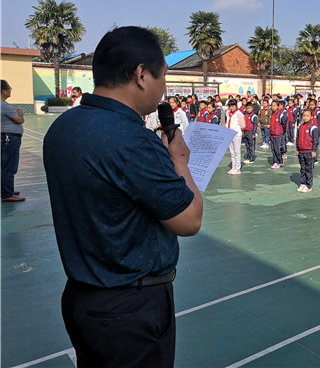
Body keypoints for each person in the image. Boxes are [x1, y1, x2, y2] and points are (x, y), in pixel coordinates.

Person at [43, 26, 203, 367]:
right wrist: (180, 162)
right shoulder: (132, 141)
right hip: (130, 310)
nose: (162, 89)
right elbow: (189, 220)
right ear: (141, 75)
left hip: (82, 299)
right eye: (163, 77)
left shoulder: (62, 127)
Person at [1, 80, 25, 202]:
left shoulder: (4, 105)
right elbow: (19, 120)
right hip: (9, 138)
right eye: (9, 88)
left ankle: (5, 189)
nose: (10, 90)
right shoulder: (3, 105)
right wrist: (20, 115)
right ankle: (7, 194)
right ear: (3, 91)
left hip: (4, 138)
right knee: (9, 166)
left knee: (3, 165)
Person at [296, 109, 319, 193]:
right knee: (302, 168)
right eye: (304, 115)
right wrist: (297, 149)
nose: (305, 117)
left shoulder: (313, 128)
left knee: (309, 169)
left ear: (311, 117)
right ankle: (303, 183)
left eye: (307, 116)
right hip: (301, 151)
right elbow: (298, 138)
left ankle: (308, 185)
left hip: (309, 151)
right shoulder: (301, 126)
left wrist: (314, 150)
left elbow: (315, 141)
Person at [225, 99, 246, 175]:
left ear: (236, 106)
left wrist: (236, 130)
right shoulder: (229, 114)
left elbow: (243, 125)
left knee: (237, 152)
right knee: (232, 152)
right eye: (230, 106)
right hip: (229, 135)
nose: (231, 107)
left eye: (233, 106)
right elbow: (227, 123)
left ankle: (237, 168)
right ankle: (233, 167)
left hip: (236, 135)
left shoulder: (239, 114)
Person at [269, 99, 287, 169]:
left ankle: (279, 161)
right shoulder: (272, 115)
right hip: (272, 134)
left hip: (278, 135)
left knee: (277, 149)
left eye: (274, 106)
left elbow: (284, 124)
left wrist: (282, 132)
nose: (273, 107)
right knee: (273, 149)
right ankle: (276, 161)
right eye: (272, 106)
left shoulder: (281, 115)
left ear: (278, 106)